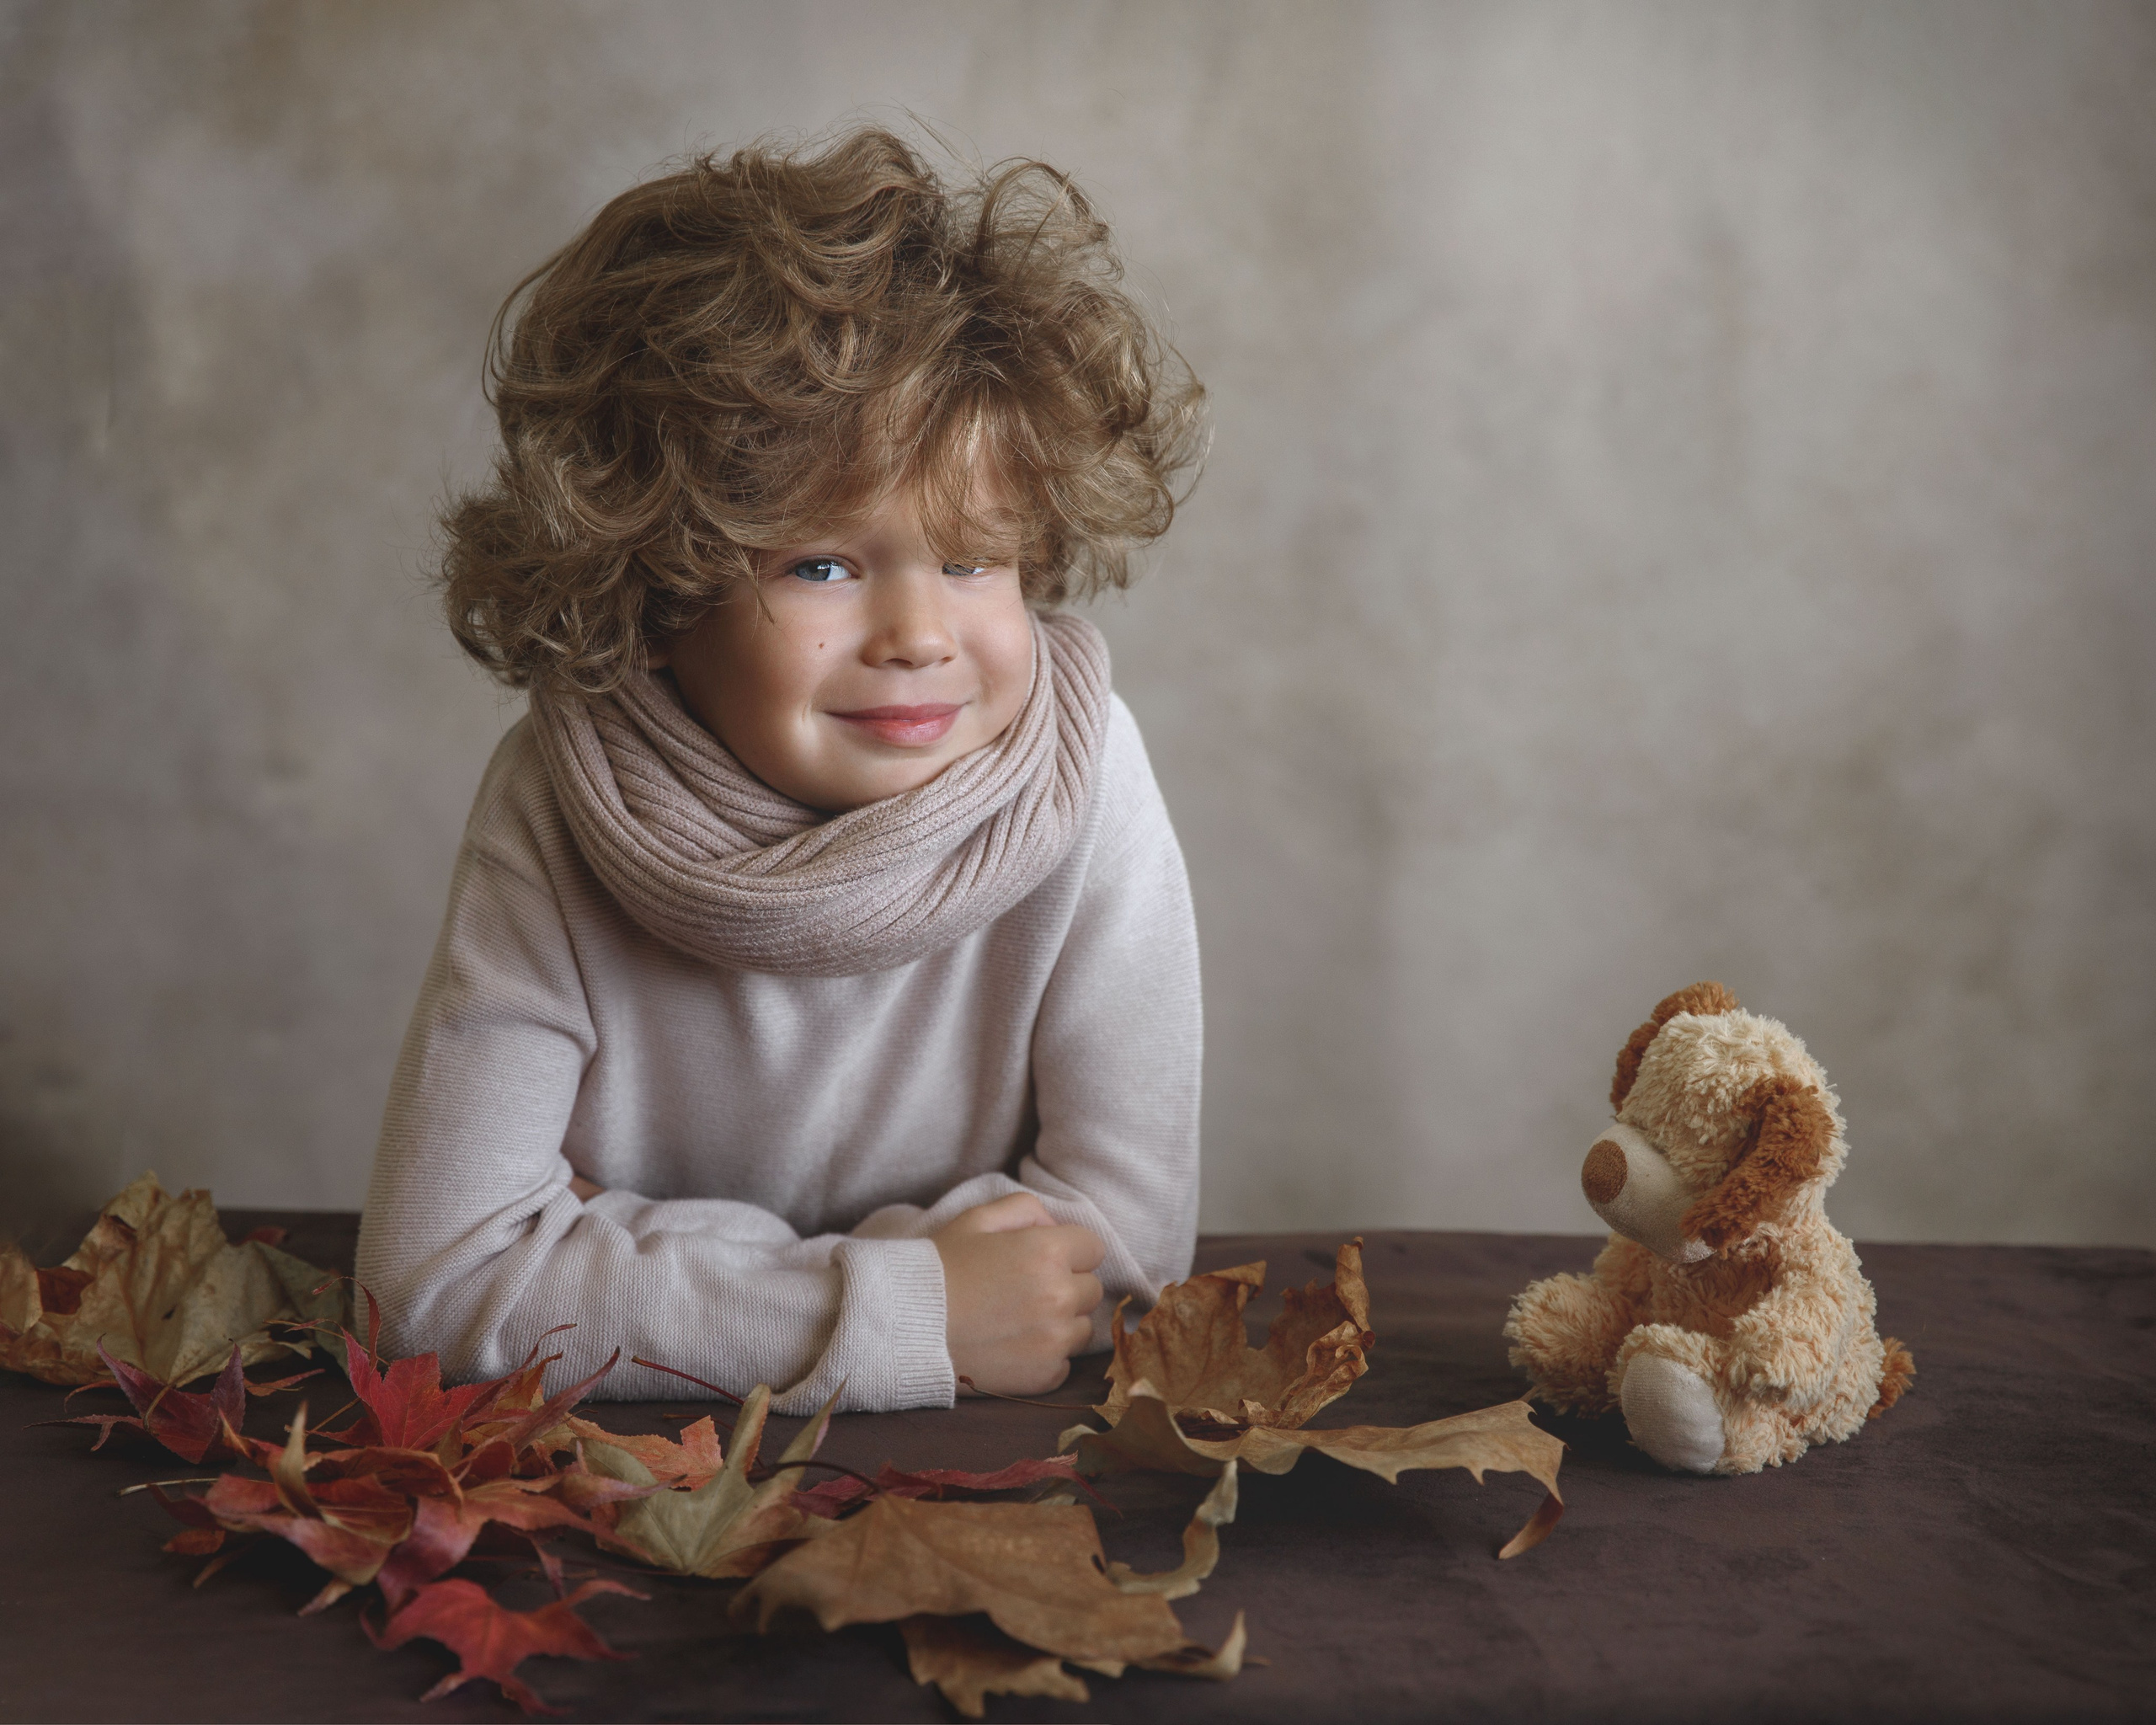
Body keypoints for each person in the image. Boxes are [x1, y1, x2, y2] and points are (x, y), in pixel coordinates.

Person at [354, 127, 1208, 1413]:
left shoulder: (1083, 782)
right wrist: (909, 1304)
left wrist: (606, 1250)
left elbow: (1118, 1256)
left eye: (971, 559)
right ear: (655, 585)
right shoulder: (562, 798)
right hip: (629, 1493)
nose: (920, 635)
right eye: (822, 565)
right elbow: (431, 1285)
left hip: (977, 1478)